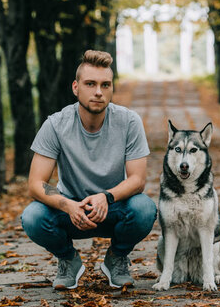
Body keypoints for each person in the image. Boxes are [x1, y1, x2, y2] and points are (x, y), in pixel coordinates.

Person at [21, 50, 156, 290]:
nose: (98, 92)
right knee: (32, 216)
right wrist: (67, 204)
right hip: (71, 210)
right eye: (90, 84)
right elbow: (35, 184)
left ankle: (116, 258)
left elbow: (138, 180)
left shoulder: (129, 121)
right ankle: (68, 260)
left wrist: (107, 196)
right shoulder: (55, 124)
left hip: (113, 208)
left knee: (144, 209)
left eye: (105, 85)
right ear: (75, 87)